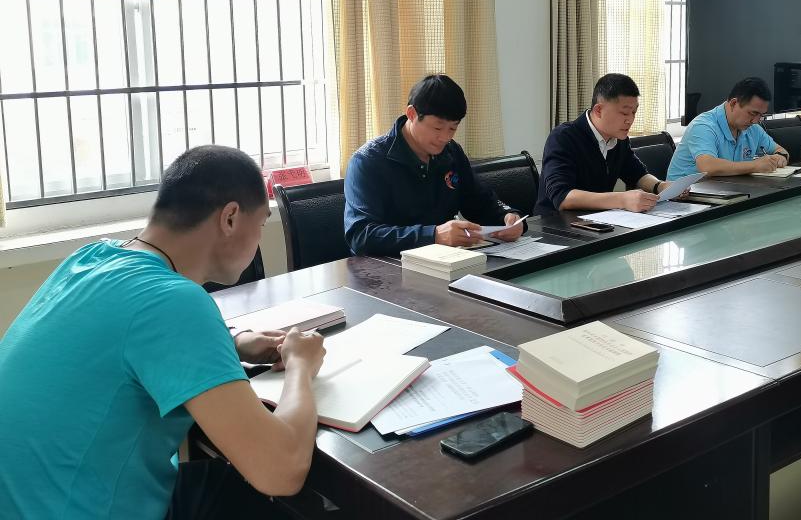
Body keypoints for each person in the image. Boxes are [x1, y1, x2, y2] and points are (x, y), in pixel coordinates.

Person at [0, 145, 327, 519]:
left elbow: (122, 337)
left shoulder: (91, 258)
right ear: (230, 218)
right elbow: (280, 470)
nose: (258, 242)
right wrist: (300, 365)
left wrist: (234, 342)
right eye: (261, 224)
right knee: (297, 501)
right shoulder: (174, 301)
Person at [344, 74, 525, 256]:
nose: (445, 137)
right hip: (387, 266)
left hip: (446, 260)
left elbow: (479, 200)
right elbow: (360, 235)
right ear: (412, 114)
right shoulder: (368, 161)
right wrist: (433, 235)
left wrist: (508, 218)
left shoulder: (451, 152)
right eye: (437, 128)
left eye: (453, 128)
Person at [535, 73, 673, 216]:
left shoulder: (619, 138)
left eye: (634, 112)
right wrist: (622, 199)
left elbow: (637, 174)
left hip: (598, 219)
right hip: (555, 223)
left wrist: (660, 186)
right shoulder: (563, 137)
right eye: (625, 113)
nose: (630, 120)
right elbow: (563, 197)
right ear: (599, 110)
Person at [667, 76, 790, 179]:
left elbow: (780, 150)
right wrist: (755, 165)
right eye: (753, 113)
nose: (756, 121)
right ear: (733, 103)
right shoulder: (703, 126)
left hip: (724, 190)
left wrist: (780, 157)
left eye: (761, 115)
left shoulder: (752, 128)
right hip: (684, 196)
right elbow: (707, 167)